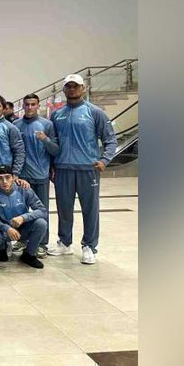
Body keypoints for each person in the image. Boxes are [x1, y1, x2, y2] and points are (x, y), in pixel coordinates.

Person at [47, 74, 117, 265]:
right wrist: (52, 165)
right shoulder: (57, 115)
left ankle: (89, 246)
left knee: (90, 209)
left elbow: (110, 139)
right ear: (64, 89)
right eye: (68, 86)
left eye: (75, 86)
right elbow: (53, 143)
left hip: (88, 169)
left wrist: (104, 160)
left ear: (83, 88)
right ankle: (64, 242)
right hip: (63, 168)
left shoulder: (94, 112)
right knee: (64, 208)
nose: (72, 89)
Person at [13, 93, 60, 257]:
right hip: (21, 176)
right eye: (27, 104)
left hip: (40, 175)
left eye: (33, 104)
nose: (30, 107)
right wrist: (14, 173)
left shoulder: (47, 124)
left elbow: (55, 150)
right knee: (20, 209)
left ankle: (42, 243)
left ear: (38, 106)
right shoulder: (16, 125)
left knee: (41, 210)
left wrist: (45, 139)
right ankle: (22, 238)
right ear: (23, 106)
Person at [0, 164, 48, 269]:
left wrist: (23, 218)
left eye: (7, 177)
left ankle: (29, 254)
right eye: (0, 178)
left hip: (23, 227)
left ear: (13, 178)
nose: (4, 181)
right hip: (4, 230)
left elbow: (42, 211)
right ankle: (2, 249)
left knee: (41, 223)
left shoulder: (24, 188)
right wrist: (7, 228)